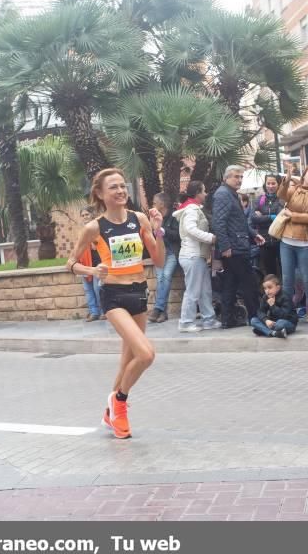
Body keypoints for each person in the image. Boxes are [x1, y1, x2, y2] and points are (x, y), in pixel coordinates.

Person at [67, 167, 165, 439]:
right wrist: (92, 271)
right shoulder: (94, 227)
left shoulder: (139, 219)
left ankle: (111, 414)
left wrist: (158, 232)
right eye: (114, 187)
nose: (121, 191)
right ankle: (119, 401)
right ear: (100, 193)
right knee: (146, 354)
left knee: (126, 361)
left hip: (139, 292)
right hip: (113, 296)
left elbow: (158, 260)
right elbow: (71, 263)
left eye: (123, 186)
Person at [212, 165, 265, 328]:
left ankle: (228, 319)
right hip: (234, 248)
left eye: (241, 177)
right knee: (249, 282)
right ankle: (255, 317)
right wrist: (226, 246)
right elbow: (218, 223)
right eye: (236, 176)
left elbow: (239, 221)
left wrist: (253, 234)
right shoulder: (222, 194)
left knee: (231, 283)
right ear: (226, 178)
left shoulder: (231, 193)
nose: (239, 180)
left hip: (238, 244)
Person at [278, 164, 308, 327]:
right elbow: (282, 195)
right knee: (287, 280)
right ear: (303, 175)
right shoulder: (295, 189)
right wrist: (287, 178)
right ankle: (286, 312)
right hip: (286, 241)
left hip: (306, 242)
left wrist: (292, 215)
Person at [173, 181, 220, 333]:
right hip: (192, 255)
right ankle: (186, 322)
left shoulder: (191, 208)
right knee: (193, 291)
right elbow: (190, 229)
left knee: (205, 289)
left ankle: (209, 319)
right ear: (198, 193)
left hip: (196, 256)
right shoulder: (192, 209)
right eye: (204, 191)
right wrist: (210, 238)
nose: (206, 194)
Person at [148, 193, 180, 323]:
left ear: (162, 204)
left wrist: (163, 230)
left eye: (155, 202)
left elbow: (178, 235)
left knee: (165, 276)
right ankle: (162, 313)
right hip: (159, 253)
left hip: (171, 252)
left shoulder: (174, 217)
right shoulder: (153, 218)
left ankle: (157, 308)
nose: (153, 205)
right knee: (161, 278)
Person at [251, 174, 284, 278]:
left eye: (273, 183)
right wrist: (271, 217)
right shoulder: (259, 200)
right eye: (268, 183)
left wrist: (263, 217)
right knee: (269, 271)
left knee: (284, 270)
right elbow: (253, 218)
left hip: (280, 240)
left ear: (278, 184)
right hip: (264, 241)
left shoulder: (282, 199)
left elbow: (281, 217)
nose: (270, 186)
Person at [250, 274, 297, 338]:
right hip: (272, 323)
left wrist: (273, 306)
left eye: (270, 287)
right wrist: (266, 320)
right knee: (253, 320)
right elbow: (260, 311)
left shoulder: (285, 297)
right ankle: (273, 333)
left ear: (278, 287)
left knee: (280, 324)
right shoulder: (265, 297)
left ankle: (264, 330)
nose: (267, 291)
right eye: (265, 288)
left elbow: (284, 315)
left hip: (288, 322)